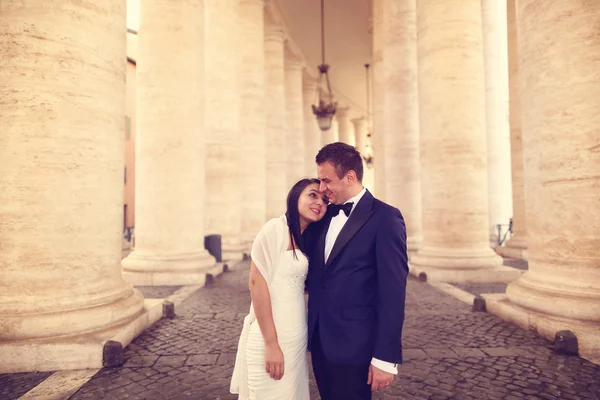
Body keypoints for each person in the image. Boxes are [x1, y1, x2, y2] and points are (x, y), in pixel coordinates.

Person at [303, 142, 409, 400]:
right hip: (320, 343)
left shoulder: (386, 218)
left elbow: (393, 293)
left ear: (350, 176)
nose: (321, 188)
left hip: (357, 348)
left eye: (326, 180)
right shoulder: (323, 216)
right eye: (320, 180)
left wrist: (385, 358)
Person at [230, 178, 328, 400]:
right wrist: (272, 345)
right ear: (295, 197)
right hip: (271, 338)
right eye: (312, 195)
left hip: (296, 337)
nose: (319, 202)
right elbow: (257, 283)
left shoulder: (306, 239)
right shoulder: (275, 228)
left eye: (324, 199)